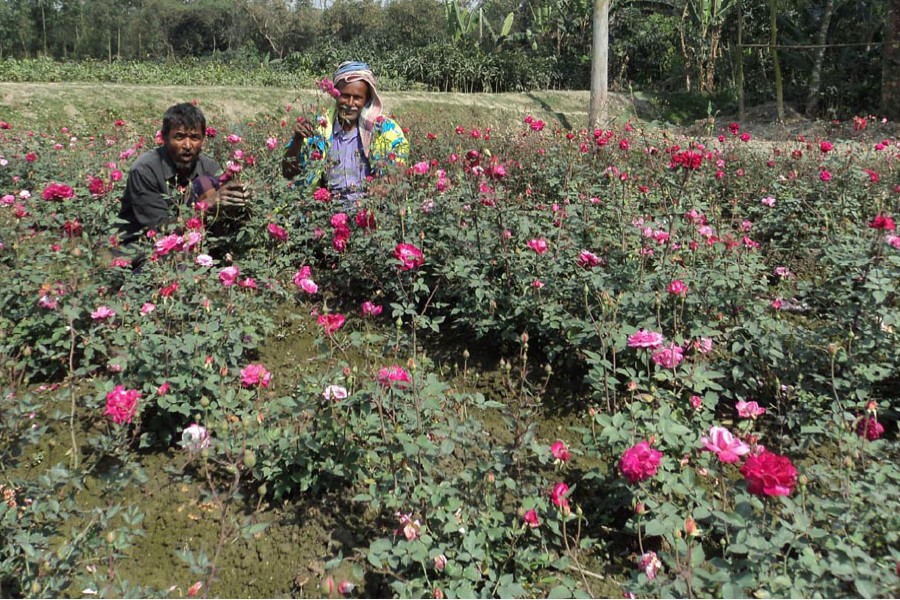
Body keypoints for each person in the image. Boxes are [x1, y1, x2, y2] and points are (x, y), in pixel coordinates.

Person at [117, 102, 250, 245]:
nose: (187, 145)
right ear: (164, 137)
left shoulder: (209, 167)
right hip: (144, 249)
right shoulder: (144, 170)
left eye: (194, 137)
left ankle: (219, 256)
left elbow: (223, 212)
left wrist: (238, 196)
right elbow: (159, 229)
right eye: (179, 137)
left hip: (192, 245)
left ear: (203, 139)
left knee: (206, 183)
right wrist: (209, 204)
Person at [281, 61, 409, 207]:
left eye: (357, 97)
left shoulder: (383, 130)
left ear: (366, 99)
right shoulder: (318, 130)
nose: (350, 103)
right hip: (326, 213)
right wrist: (297, 141)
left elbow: (399, 167)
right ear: (335, 95)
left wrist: (386, 184)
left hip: (370, 211)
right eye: (345, 95)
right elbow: (288, 173)